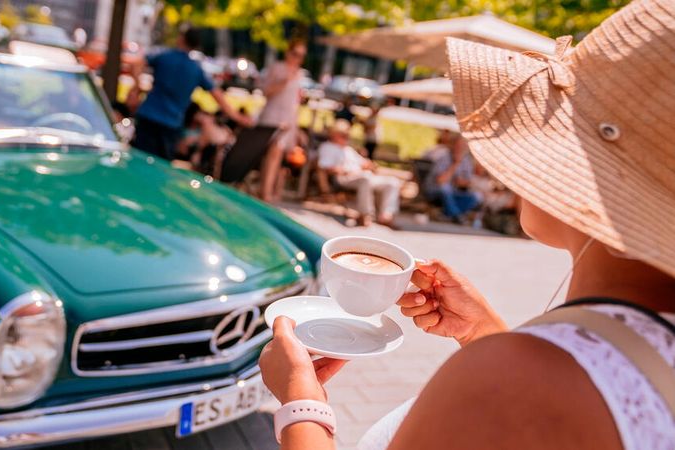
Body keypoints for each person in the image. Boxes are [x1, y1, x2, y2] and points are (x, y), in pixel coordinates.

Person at [259, 1, 675, 449]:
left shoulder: (517, 382)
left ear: (592, 175)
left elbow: (528, 403)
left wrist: (300, 402)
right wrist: (483, 333)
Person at [126, 25, 251, 160]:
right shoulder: (196, 69)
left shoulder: (165, 56)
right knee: (161, 166)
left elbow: (137, 63)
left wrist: (136, 87)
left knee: (139, 159)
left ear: (182, 39)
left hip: (149, 115)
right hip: (172, 123)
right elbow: (217, 95)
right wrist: (237, 117)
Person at [317, 119, 402, 227]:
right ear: (334, 135)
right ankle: (366, 214)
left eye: (347, 134)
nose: (347, 137)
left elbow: (364, 163)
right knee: (365, 178)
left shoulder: (348, 149)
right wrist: (346, 170)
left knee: (392, 182)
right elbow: (325, 167)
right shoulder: (327, 147)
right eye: (343, 134)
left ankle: (386, 215)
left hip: (362, 176)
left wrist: (369, 164)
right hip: (345, 178)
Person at [257, 38, 306, 202]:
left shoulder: (300, 74)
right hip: (272, 115)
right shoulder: (277, 68)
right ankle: (265, 192)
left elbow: (295, 103)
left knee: (277, 155)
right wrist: (285, 81)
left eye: (301, 56)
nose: (297, 58)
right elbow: (266, 91)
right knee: (273, 152)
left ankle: (269, 190)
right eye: (295, 54)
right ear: (288, 52)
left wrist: (296, 127)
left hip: (288, 119)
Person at [423, 133, 481, 223]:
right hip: (435, 191)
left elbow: (468, 182)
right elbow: (440, 181)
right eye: (458, 145)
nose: (460, 148)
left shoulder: (466, 160)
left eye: (463, 146)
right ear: (453, 145)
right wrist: (455, 164)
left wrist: (460, 182)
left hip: (454, 192)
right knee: (445, 188)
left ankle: (447, 214)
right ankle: (456, 215)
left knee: (475, 196)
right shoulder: (444, 157)